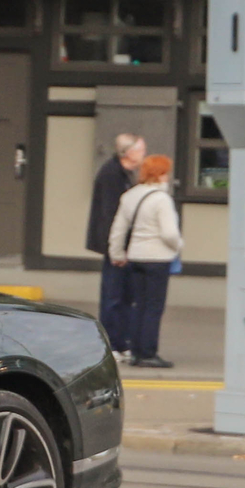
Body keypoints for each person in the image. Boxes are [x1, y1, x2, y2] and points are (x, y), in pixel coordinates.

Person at [107, 154, 183, 368]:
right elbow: (169, 234)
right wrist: (178, 245)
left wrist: (117, 254)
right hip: (157, 259)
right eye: (166, 173)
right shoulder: (162, 200)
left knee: (138, 305)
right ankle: (148, 352)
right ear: (159, 174)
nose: (168, 177)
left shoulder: (130, 195)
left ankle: (136, 351)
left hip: (135, 256)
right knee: (153, 307)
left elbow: (118, 229)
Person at [88, 133, 147, 357]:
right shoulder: (112, 174)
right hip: (116, 245)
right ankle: (113, 342)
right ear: (128, 153)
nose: (143, 154)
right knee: (114, 296)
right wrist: (117, 248)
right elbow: (112, 214)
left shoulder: (123, 173)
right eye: (141, 150)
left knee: (123, 295)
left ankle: (121, 341)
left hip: (119, 244)